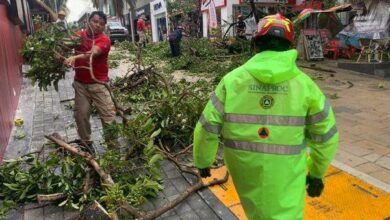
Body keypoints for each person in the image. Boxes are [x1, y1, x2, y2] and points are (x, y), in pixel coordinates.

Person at [193, 14, 338, 220]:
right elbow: (326, 134)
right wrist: (316, 173)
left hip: (244, 168)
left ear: (255, 45)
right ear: (289, 47)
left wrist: (203, 160)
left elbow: (207, 126)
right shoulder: (305, 86)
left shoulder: (232, 81)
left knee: (256, 211)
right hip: (287, 172)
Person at [64, 11, 116, 152]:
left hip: (99, 85)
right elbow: (64, 45)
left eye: (101, 23)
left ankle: (113, 149)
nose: (97, 25)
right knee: (80, 116)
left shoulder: (104, 40)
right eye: (95, 21)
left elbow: (91, 54)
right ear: (88, 21)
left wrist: (74, 58)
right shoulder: (78, 36)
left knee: (108, 117)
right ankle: (86, 145)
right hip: (80, 84)